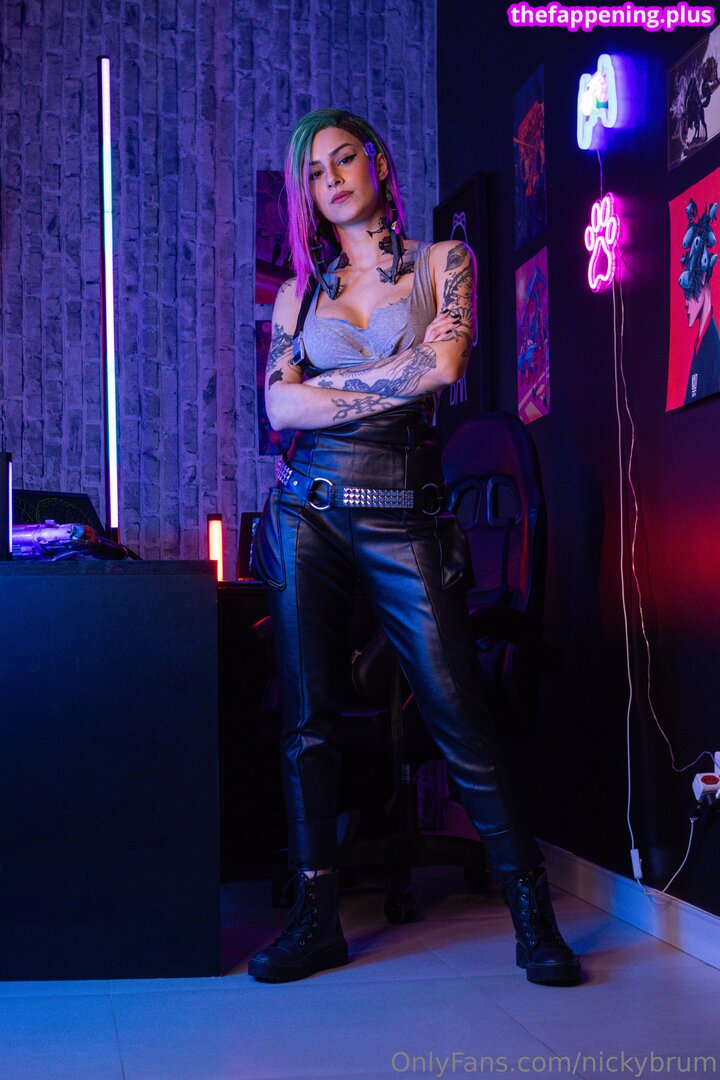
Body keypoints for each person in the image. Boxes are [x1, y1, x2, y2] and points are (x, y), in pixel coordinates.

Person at [248, 108, 582, 987]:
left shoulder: (445, 263)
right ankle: (316, 921)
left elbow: (444, 369)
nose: (331, 180)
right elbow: (279, 409)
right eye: (314, 172)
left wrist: (330, 386)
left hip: (405, 509)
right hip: (307, 511)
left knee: (458, 708)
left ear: (378, 164)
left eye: (343, 160)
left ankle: (534, 917)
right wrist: (390, 378)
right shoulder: (298, 296)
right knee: (309, 721)